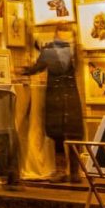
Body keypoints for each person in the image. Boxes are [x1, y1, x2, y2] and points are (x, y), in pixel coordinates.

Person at [21, 25, 84, 182]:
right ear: (57, 36)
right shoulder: (51, 50)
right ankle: (62, 171)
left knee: (73, 134)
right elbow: (38, 67)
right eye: (62, 38)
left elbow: (72, 66)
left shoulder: (74, 51)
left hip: (69, 95)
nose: (65, 41)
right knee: (58, 136)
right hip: (56, 96)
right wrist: (23, 71)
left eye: (68, 38)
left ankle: (74, 172)